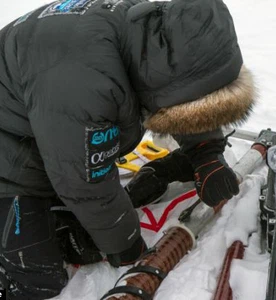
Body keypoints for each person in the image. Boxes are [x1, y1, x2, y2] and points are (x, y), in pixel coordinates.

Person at [0, 0, 255, 298]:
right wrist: (125, 241)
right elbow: (83, 180)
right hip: (10, 154)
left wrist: (205, 153)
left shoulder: (149, 35)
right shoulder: (84, 78)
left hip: (43, 129)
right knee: (39, 281)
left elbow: (191, 95)